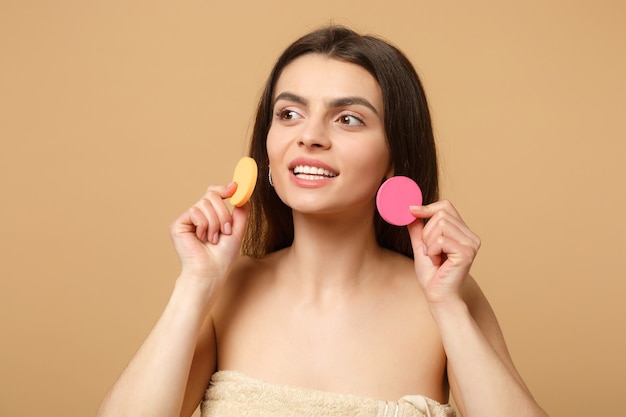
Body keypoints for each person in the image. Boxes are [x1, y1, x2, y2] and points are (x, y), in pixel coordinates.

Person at [97, 26, 548, 417]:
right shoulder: (225, 290)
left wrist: (447, 306)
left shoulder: (447, 298)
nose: (309, 137)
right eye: (289, 114)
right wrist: (195, 284)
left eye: (348, 119)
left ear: (395, 158)